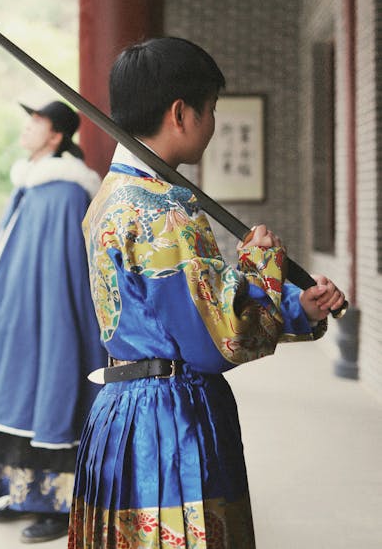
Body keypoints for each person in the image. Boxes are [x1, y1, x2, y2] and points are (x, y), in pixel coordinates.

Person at [68, 38, 346, 549]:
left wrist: (294, 307)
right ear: (181, 113)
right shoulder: (164, 212)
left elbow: (178, 313)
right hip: (170, 424)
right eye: (211, 109)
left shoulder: (110, 197)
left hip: (119, 415)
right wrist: (262, 268)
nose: (213, 125)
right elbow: (216, 340)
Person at [0, 100, 107, 543]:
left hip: (48, 322)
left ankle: (59, 506)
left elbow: (64, 273)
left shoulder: (65, 191)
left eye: (36, 121)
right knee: (13, 405)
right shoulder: (32, 183)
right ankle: (19, 493)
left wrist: (55, 327)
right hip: (16, 322)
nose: (28, 127)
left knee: (50, 405)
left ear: (56, 135)